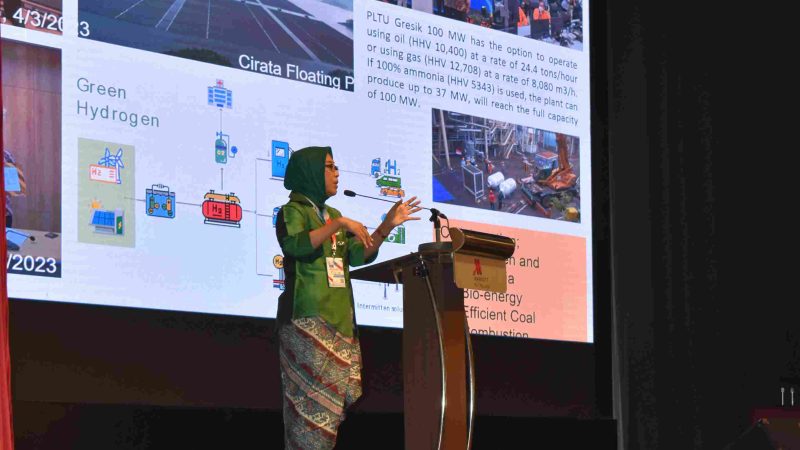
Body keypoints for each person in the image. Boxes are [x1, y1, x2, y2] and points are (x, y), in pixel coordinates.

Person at [275, 146, 421, 449]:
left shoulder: (333, 215)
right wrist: (339, 225)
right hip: (308, 320)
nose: (337, 173)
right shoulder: (293, 211)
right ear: (310, 172)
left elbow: (357, 255)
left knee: (328, 417)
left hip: (340, 321)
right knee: (309, 415)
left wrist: (388, 225)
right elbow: (296, 245)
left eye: (336, 166)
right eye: (330, 167)